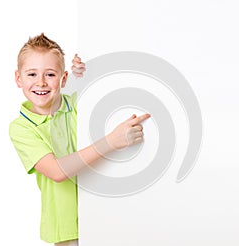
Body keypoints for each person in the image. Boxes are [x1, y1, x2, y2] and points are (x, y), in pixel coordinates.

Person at [9, 33, 150, 246]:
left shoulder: (79, 104)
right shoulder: (21, 128)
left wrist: (86, 71)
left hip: (108, 215)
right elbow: (56, 172)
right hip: (66, 229)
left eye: (50, 74)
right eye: (31, 74)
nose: (41, 82)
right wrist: (111, 142)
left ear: (63, 79)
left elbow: (103, 89)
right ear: (18, 79)